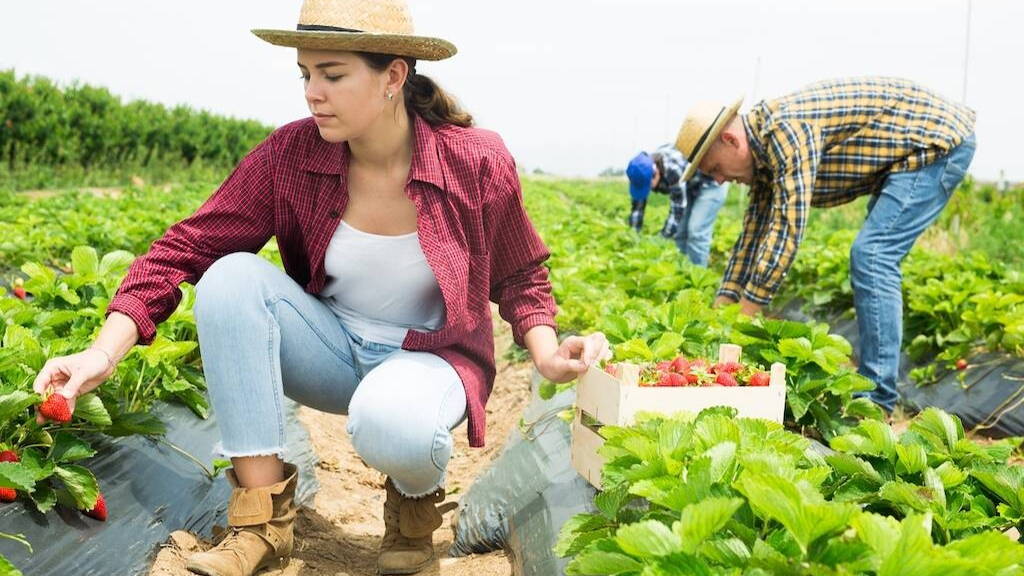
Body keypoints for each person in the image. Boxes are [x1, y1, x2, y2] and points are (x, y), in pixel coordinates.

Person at [30, 1, 609, 574]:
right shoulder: (290, 154)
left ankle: (411, 504)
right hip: (329, 349)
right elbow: (185, 248)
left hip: (431, 361)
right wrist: (103, 352)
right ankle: (260, 522)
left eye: (332, 75)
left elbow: (520, 272)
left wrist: (547, 352)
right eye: (305, 74)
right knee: (231, 277)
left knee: (393, 423)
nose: (313, 92)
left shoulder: (473, 160)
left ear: (393, 77)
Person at [675, 77, 976, 416]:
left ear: (731, 140)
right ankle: (876, 393)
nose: (717, 180)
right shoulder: (761, 160)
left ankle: (876, 402)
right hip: (903, 158)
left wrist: (747, 313)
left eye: (714, 168)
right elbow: (753, 234)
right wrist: (724, 302)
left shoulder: (786, 130)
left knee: (873, 256)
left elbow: (788, 228)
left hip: (935, 143)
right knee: (871, 255)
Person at [625, 151, 655, 232]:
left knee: (637, 206)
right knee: (638, 206)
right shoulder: (637, 166)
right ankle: (634, 229)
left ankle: (634, 228)